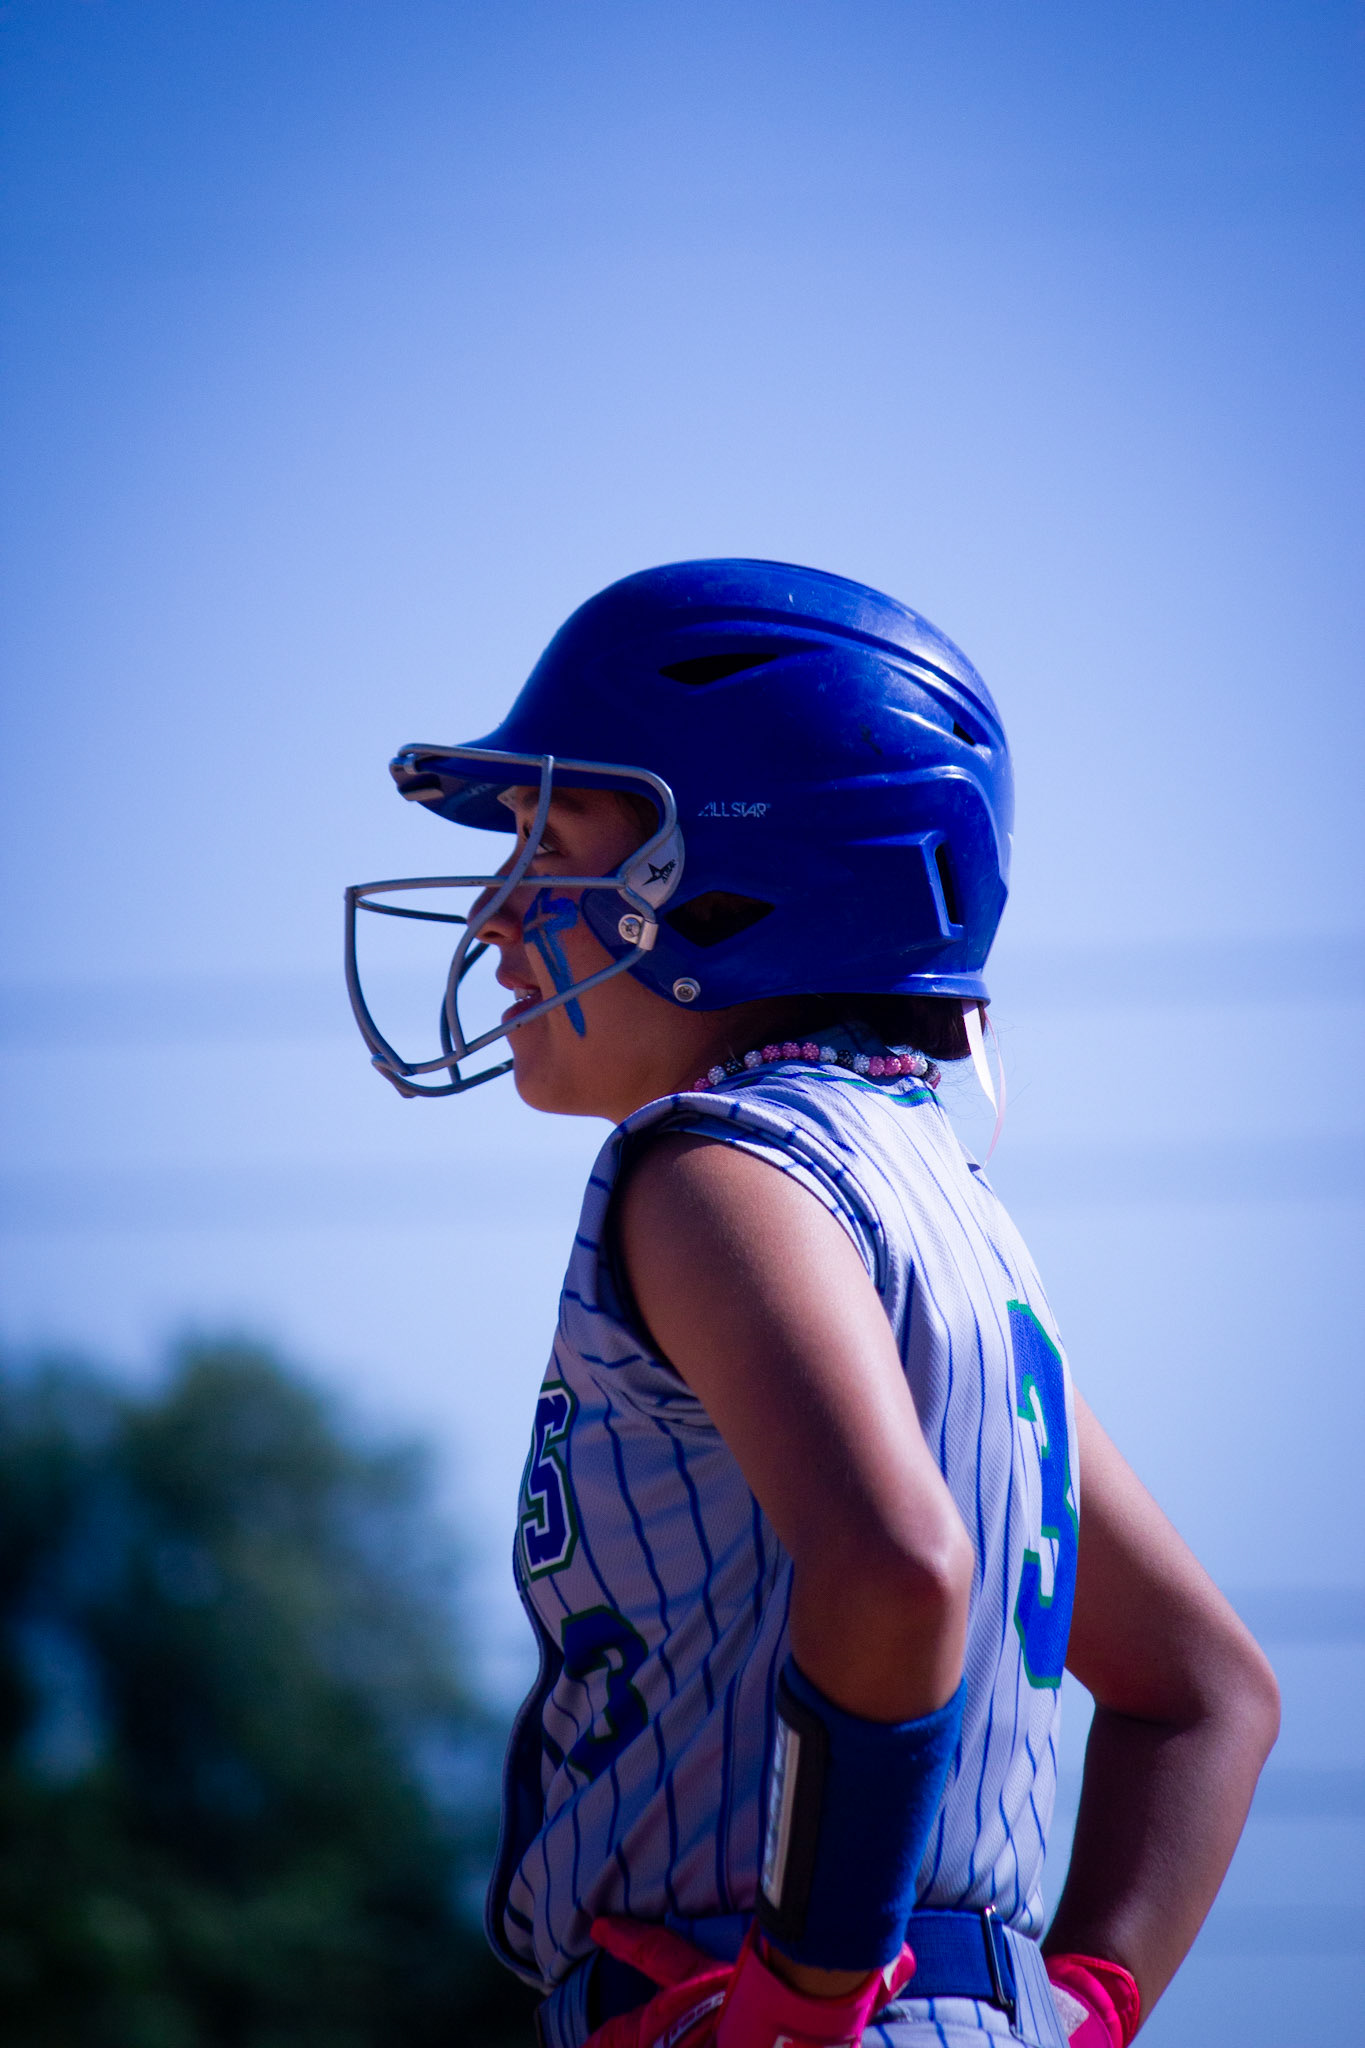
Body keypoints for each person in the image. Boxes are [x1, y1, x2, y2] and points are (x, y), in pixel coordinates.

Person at [345, 560, 1280, 2048]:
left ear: (727, 881)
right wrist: (1086, 2009)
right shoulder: (947, 1208)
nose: (497, 908)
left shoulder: (713, 1173)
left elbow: (899, 1571)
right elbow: (1206, 1693)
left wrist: (808, 1993)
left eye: (551, 837)